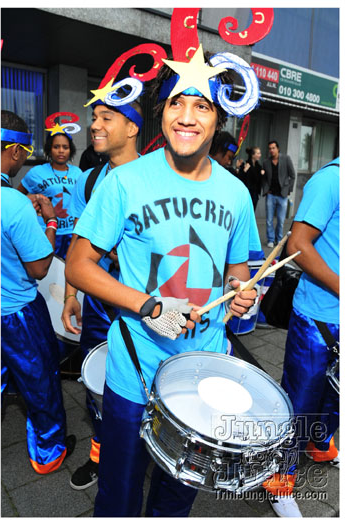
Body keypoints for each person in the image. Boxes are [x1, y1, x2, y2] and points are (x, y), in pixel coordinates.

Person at [65, 44, 261, 517]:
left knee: (178, 495)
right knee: (119, 492)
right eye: (177, 102)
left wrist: (244, 295)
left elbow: (239, 272)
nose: (188, 116)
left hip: (203, 372)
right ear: (162, 113)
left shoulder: (235, 193)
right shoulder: (125, 181)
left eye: (203, 105)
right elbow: (78, 265)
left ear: (218, 120)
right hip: (135, 364)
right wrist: (151, 307)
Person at [62, 92, 143, 490]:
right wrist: (70, 295)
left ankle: (144, 450)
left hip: (144, 311)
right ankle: (102, 454)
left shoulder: (156, 179)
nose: (94, 125)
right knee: (98, 383)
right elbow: (76, 247)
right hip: (97, 305)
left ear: (132, 127)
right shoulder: (89, 179)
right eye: (94, 116)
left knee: (146, 384)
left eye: (107, 117)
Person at [263, 159, 340, 517]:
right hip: (318, 315)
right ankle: (279, 477)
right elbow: (299, 244)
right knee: (300, 398)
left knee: (335, 394)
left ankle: (320, 442)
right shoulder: (331, 179)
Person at [1, 110, 75, 474]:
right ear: (15, 152)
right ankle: (48, 453)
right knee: (41, 380)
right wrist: (47, 220)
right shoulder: (12, 203)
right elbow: (40, 267)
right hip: (15, 314)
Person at [17, 125, 82, 260]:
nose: (61, 151)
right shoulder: (36, 172)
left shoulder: (78, 173)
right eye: (56, 147)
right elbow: (17, 197)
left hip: (72, 233)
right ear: (49, 149)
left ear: (71, 150)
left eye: (65, 147)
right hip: (46, 231)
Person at [262, 140, 295, 247]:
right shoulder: (266, 162)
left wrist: (288, 190)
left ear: (278, 148)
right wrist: (266, 190)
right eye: (270, 148)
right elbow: (265, 178)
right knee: (269, 220)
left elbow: (292, 175)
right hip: (270, 195)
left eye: (273, 148)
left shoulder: (286, 159)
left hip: (282, 195)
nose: (271, 150)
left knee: (281, 220)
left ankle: (279, 239)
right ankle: (271, 239)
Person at [238, 146, 264, 210]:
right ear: (253, 155)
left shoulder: (259, 167)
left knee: (252, 210)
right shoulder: (245, 164)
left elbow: (259, 180)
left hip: (255, 193)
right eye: (257, 153)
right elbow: (240, 178)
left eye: (260, 153)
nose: (259, 155)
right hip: (247, 192)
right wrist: (244, 171)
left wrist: (262, 174)